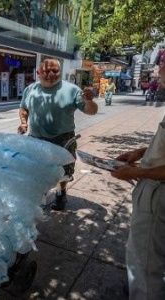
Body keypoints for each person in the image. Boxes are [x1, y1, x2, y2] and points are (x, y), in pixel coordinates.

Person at [111, 67, 165, 299]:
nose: (160, 69)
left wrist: (137, 172)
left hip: (157, 193)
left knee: (144, 262)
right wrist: (140, 152)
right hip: (153, 185)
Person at [18, 58, 98, 211]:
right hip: (36, 139)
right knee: (36, 170)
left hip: (64, 139)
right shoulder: (30, 89)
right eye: (46, 71)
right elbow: (23, 109)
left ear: (60, 72)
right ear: (38, 72)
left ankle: (61, 193)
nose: (50, 74)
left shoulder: (72, 90)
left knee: (64, 172)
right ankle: (39, 195)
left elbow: (91, 111)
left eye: (55, 71)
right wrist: (23, 123)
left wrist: (89, 101)